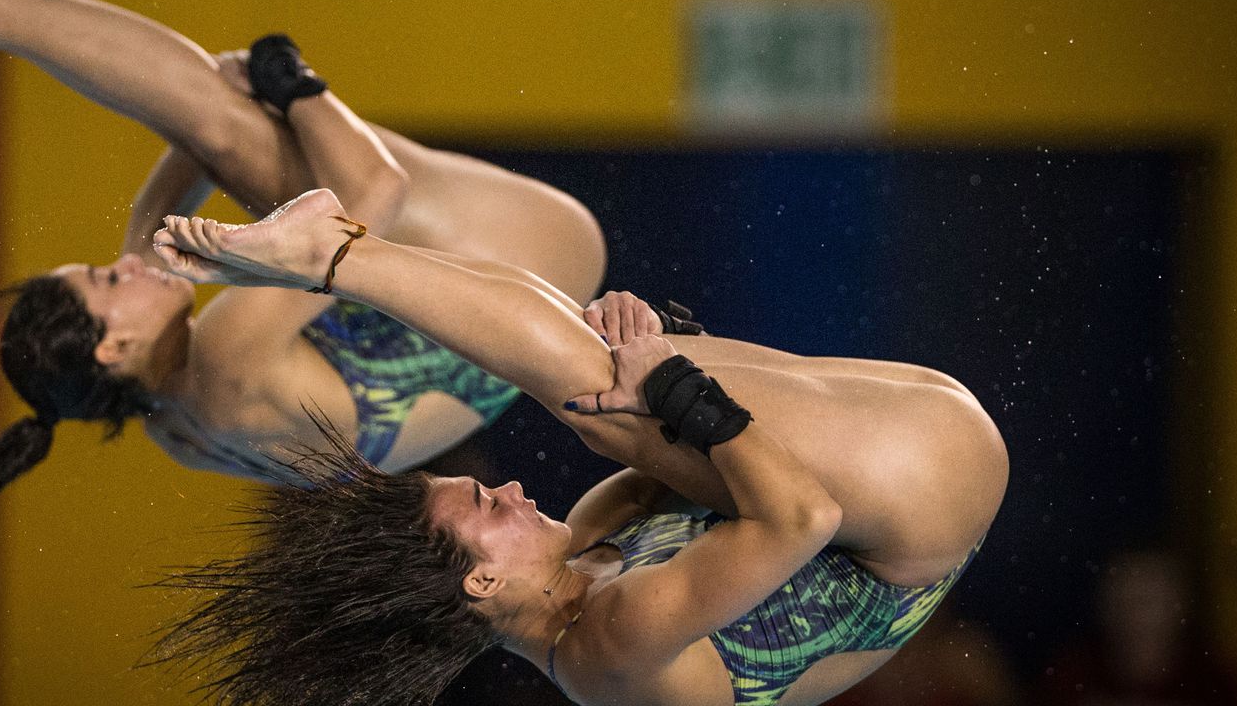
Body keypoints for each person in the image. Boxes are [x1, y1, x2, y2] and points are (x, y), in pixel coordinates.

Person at [0, 0, 607, 542]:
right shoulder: (225, 358)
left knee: (226, 133)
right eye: (109, 280)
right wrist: (293, 83)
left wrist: (179, 177)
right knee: (245, 132)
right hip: (536, 258)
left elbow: (186, 182)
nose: (126, 269)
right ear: (112, 350)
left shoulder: (177, 420)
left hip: (505, 307)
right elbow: (377, 193)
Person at [146, 188, 1009, 706]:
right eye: (488, 509)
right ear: (480, 581)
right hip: (926, 502)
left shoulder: (589, 546)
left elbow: (699, 454)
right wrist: (672, 389)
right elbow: (800, 515)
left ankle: (339, 248)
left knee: (593, 369)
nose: (513, 489)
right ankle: (329, 252)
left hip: (913, 445)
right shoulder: (612, 648)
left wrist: (661, 344)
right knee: (598, 400)